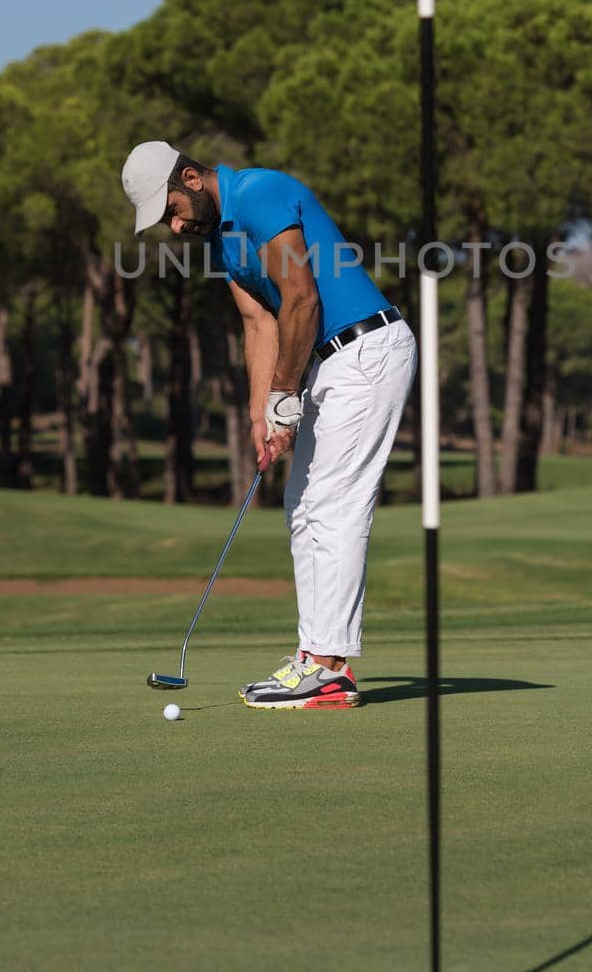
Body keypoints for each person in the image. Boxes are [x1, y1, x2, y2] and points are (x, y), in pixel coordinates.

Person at [122, 139, 416, 710]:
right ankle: (313, 657)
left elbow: (301, 299)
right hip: (330, 364)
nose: (174, 230)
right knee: (303, 506)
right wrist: (262, 414)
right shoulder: (221, 243)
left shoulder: (260, 193)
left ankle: (330, 666)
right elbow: (258, 323)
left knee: (334, 502)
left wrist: (285, 394)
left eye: (172, 212)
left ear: (191, 177)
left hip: (366, 349)